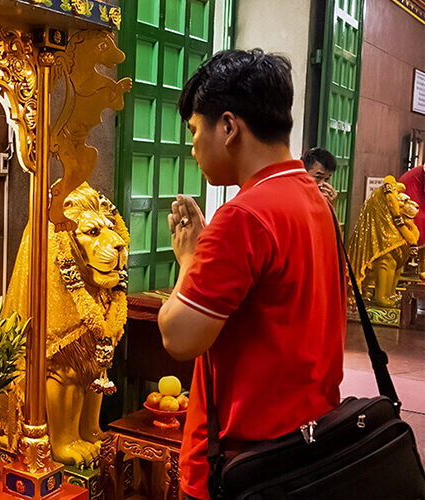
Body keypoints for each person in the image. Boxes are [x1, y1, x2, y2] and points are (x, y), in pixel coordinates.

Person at [156, 49, 346, 500]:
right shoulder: (311, 198)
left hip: (245, 467)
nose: (192, 146)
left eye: (195, 130)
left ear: (228, 126)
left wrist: (189, 259)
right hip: (307, 450)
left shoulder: (244, 215)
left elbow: (179, 337)